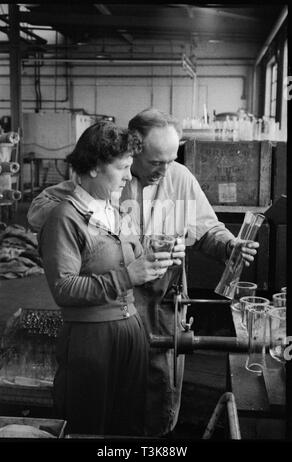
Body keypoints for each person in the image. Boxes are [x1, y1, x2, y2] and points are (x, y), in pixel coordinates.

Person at [28, 108, 259, 437]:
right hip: (109, 306)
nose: (165, 171)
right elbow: (39, 214)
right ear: (133, 151)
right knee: (98, 407)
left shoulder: (177, 177)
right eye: (155, 162)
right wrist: (88, 212)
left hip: (161, 306)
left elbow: (208, 231)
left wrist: (228, 247)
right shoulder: (104, 180)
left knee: (156, 397)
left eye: (171, 160)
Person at [37, 121, 175, 436]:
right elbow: (64, 288)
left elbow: (130, 265)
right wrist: (127, 276)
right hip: (92, 339)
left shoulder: (114, 211)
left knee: (126, 425)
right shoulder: (65, 218)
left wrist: (156, 260)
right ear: (96, 167)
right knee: (88, 426)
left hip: (131, 331)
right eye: (123, 167)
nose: (129, 175)